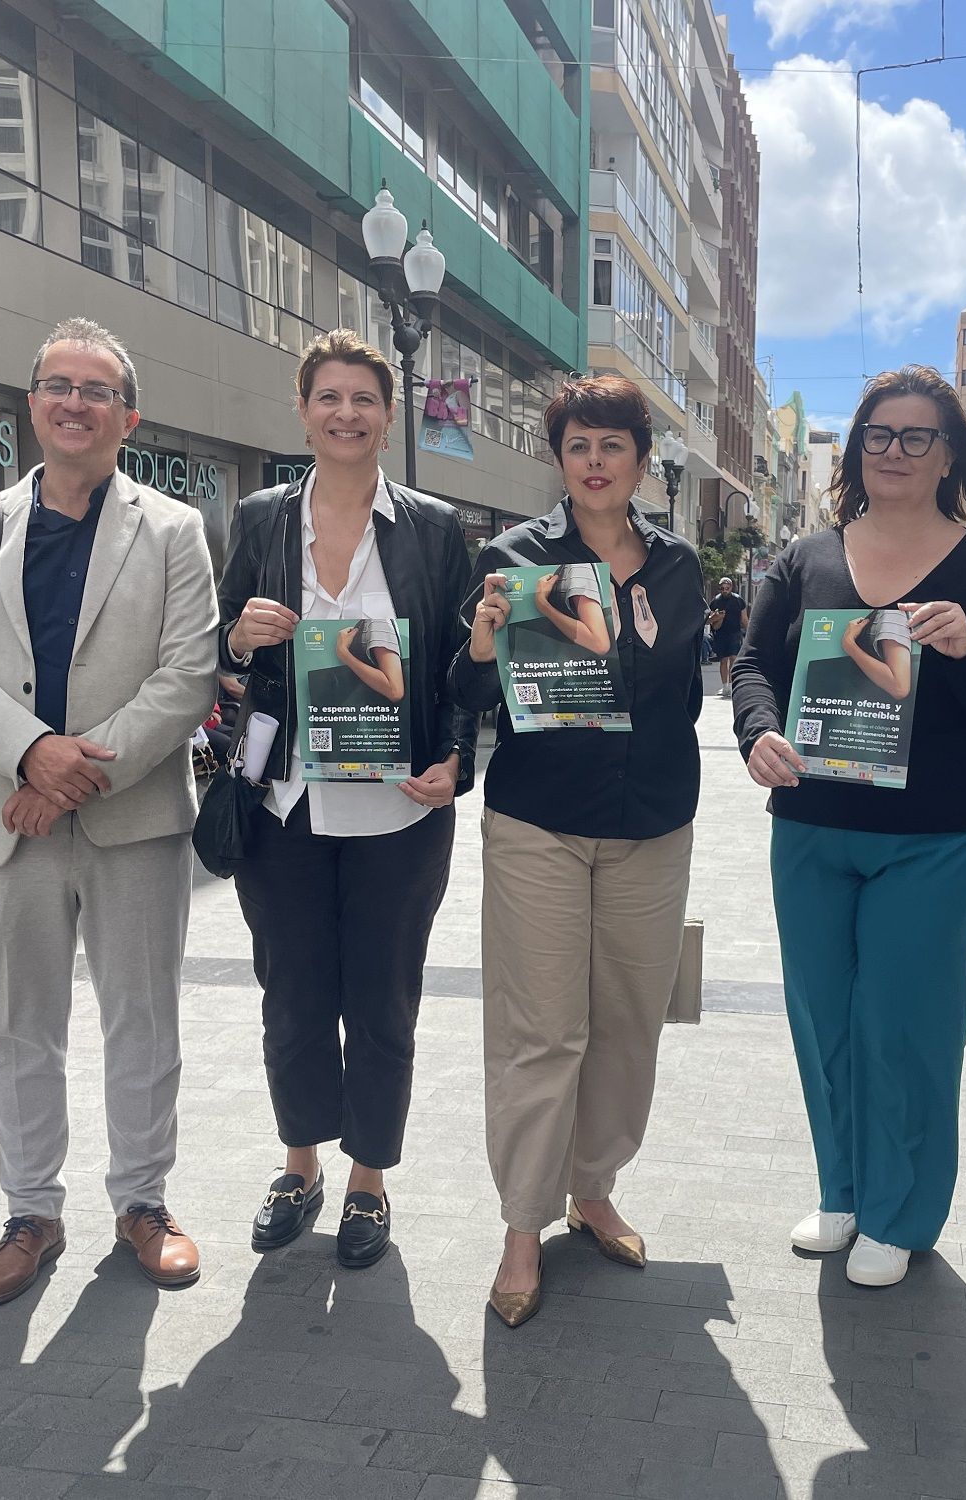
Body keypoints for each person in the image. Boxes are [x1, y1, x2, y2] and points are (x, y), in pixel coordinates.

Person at [0, 318, 217, 1306]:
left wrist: (75, 775)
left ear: (129, 417)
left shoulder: (173, 530)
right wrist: (32, 755)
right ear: (32, 401)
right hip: (6, 823)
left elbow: (188, 676)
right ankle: (30, 1214)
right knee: (17, 1027)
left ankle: (143, 1202)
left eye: (96, 390)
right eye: (58, 385)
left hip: (135, 821)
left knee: (143, 1020)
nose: (74, 403)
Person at [732, 365, 966, 1289]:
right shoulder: (807, 558)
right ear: (857, 448)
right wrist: (757, 731)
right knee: (822, 1016)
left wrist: (965, 648)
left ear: (949, 455)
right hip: (813, 822)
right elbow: (752, 665)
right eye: (877, 434)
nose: (894, 451)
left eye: (915, 437)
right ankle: (843, 1190)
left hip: (935, 836)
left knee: (905, 1024)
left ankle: (901, 1213)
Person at [450, 374, 706, 1327]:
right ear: (558, 459)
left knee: (628, 1020)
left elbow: (683, 695)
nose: (595, 463)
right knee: (542, 1029)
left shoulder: (677, 567)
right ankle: (523, 1225)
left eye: (612, 446)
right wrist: (483, 645)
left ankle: (592, 1188)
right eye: (577, 447)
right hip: (540, 823)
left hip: (652, 822)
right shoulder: (513, 558)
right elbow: (468, 697)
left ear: (640, 460)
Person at [217, 330, 476, 1270]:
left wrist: (457, 759)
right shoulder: (260, 519)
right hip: (283, 803)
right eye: (328, 396)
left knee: (382, 999)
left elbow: (460, 664)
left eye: (364, 398)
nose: (346, 413)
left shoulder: (434, 529)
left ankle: (369, 1177)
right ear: (302, 412)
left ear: (389, 415)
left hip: (397, 810)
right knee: (290, 996)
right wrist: (238, 637)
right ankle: (300, 1165)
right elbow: (217, 647)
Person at [708, 576, 748, 695]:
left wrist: (750, 634)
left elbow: (744, 619)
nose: (725, 590)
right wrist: (718, 617)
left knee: (733, 659)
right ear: (719, 588)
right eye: (722, 588)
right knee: (723, 660)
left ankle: (731, 685)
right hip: (721, 634)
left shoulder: (738, 600)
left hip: (735, 632)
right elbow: (710, 620)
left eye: (727, 587)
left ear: (731, 587)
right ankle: (725, 686)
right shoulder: (715, 601)